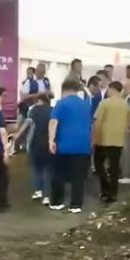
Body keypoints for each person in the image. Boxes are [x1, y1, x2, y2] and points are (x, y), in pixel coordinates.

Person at [49, 79, 94, 214]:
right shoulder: (86, 105)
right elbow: (91, 125)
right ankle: (76, 205)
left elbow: (53, 122)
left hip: (64, 146)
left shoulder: (61, 103)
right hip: (83, 146)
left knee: (59, 175)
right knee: (78, 177)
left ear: (64, 90)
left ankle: (57, 202)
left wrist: (51, 140)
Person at [93, 81, 130, 203]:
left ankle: (105, 188)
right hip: (118, 140)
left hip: (103, 139)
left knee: (99, 165)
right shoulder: (126, 105)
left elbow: (97, 122)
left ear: (111, 89)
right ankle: (113, 194)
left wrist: (94, 138)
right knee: (114, 168)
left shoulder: (105, 103)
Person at [21, 92, 54, 202]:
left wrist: (17, 137)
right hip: (48, 143)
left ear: (39, 100)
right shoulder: (52, 110)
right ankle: (47, 196)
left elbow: (27, 125)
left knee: (36, 168)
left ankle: (38, 191)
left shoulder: (33, 111)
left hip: (35, 143)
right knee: (48, 170)